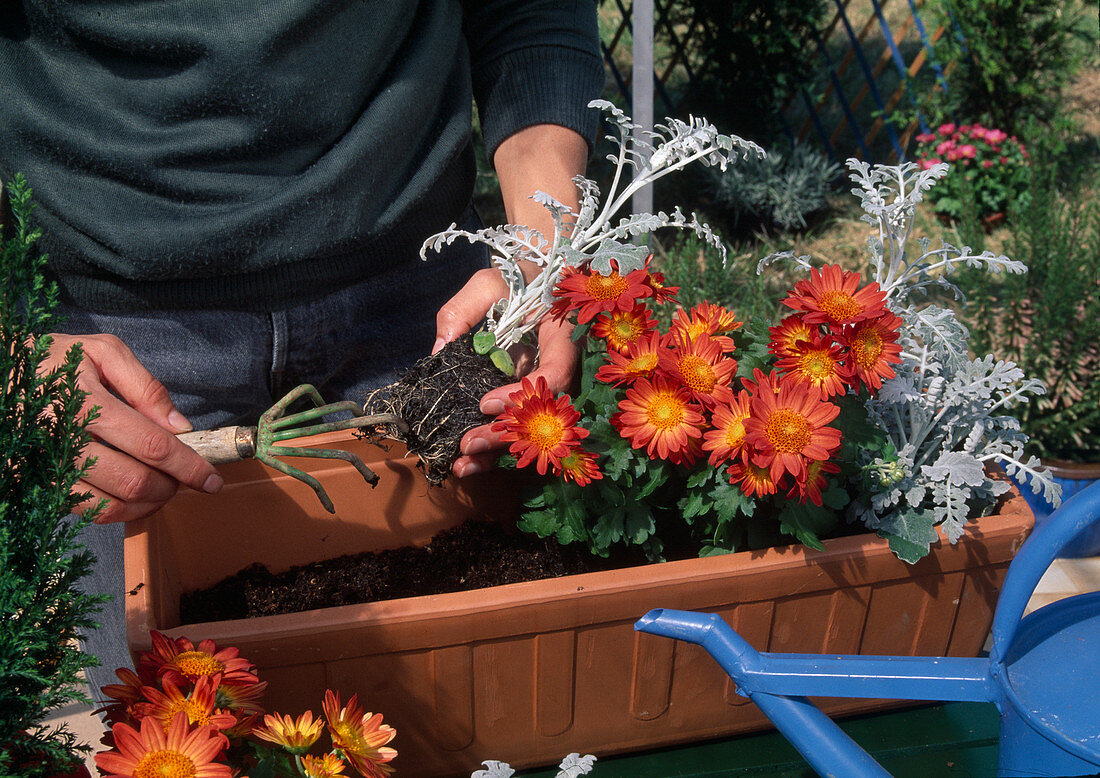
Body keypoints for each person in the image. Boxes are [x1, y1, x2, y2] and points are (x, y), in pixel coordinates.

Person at [0, 1, 604, 698]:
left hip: (433, 310)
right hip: (113, 355)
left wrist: (545, 253)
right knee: (165, 725)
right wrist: (19, 361)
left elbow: (531, 15)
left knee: (479, 705)